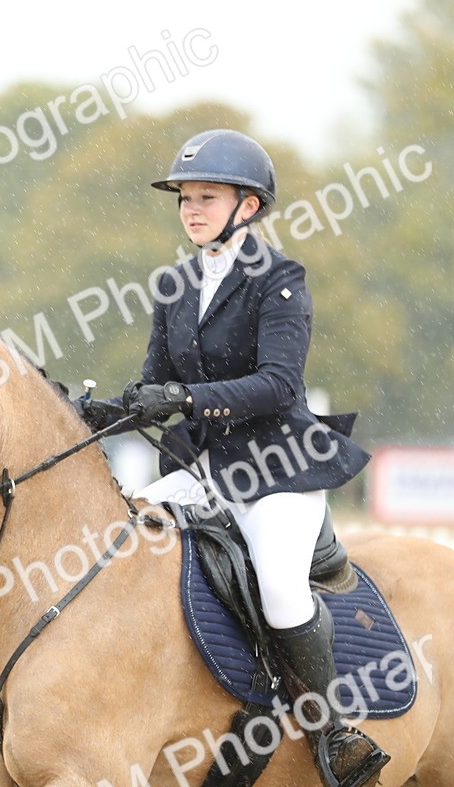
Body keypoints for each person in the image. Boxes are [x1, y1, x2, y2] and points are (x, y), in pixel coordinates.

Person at [75, 129, 388, 787]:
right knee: (117, 547)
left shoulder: (280, 280)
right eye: (185, 198)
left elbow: (277, 383)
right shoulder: (174, 284)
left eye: (206, 197)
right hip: (204, 472)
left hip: (280, 467)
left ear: (248, 206)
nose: (191, 208)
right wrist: (105, 411)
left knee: (278, 586)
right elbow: (155, 381)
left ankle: (334, 733)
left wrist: (185, 397)